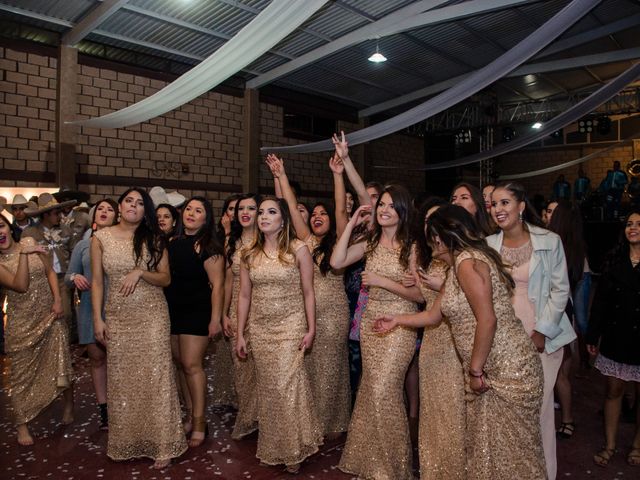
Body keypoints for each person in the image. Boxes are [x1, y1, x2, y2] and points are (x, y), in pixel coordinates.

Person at [374, 204, 546, 479]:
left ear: (442, 236)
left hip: (506, 368)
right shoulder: (457, 267)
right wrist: (397, 320)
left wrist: (475, 370)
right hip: (491, 368)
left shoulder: (467, 262)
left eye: (431, 237)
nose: (429, 245)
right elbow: (432, 316)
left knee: (513, 454)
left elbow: (487, 320)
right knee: (490, 452)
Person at [91, 187, 187, 469]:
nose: (133, 206)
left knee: (156, 378)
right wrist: (98, 318)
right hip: (119, 318)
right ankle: (128, 440)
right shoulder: (100, 238)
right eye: (128, 201)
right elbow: (97, 281)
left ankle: (163, 444)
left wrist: (141, 272)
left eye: (139, 203)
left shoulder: (154, 239)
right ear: (119, 207)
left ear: (146, 210)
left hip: (152, 316)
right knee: (124, 380)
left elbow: (166, 278)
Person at [331, 184, 422, 480]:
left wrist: (382, 280)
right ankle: (370, 459)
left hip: (400, 324)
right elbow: (336, 261)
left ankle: (393, 467)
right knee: (372, 390)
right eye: (380, 204)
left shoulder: (412, 246)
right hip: (372, 326)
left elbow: (420, 296)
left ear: (402, 211)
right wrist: (352, 223)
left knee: (385, 390)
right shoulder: (369, 242)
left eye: (390, 206)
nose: (383, 209)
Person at [488, 181, 576, 480]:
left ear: (521, 206)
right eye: (494, 204)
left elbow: (561, 290)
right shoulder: (489, 245)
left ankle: (542, 473)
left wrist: (542, 331)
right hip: (503, 337)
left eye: (504, 203)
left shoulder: (549, 241)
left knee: (538, 410)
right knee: (508, 410)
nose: (498, 209)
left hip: (542, 336)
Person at [266, 153, 351, 439]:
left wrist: (337, 174)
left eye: (321, 213)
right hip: (308, 313)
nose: (316, 217)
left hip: (335, 314)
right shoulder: (305, 241)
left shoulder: (340, 241)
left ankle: (329, 423)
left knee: (329, 369)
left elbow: (341, 210)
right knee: (309, 370)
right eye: (313, 214)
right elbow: (289, 206)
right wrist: (281, 175)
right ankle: (312, 422)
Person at [235, 196, 321, 474]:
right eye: (261, 212)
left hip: (291, 325)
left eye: (271, 212)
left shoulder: (299, 249)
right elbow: (244, 295)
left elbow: (309, 291)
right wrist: (240, 333)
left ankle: (293, 448)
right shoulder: (249, 253)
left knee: (286, 387)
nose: (263, 217)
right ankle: (275, 446)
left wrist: (311, 328)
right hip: (260, 329)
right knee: (270, 389)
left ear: (283, 219)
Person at [0, 212, 74, 446]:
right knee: (20, 376)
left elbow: (51, 271)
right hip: (21, 324)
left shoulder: (30, 242)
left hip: (49, 315)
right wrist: (22, 255)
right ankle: (22, 424)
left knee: (60, 363)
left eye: (0, 226)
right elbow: (20, 285)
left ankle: (69, 404)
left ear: (8, 227)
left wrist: (58, 300)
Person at [411, 197, 466, 479]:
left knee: (453, 410)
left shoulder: (463, 258)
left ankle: (455, 471)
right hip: (431, 341)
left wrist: (440, 285)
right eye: (426, 222)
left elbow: (469, 299)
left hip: (454, 341)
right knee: (431, 410)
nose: (431, 229)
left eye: (436, 222)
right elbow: (422, 298)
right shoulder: (427, 255)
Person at [164, 196, 224, 448]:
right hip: (172, 310)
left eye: (198, 210)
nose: (191, 213)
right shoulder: (171, 242)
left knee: (192, 364)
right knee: (179, 364)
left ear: (206, 218)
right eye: (189, 208)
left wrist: (215, 319)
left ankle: (200, 422)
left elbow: (218, 285)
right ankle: (189, 414)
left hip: (197, 311)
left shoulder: (209, 246)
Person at [586, 208, 640, 467]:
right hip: (617, 335)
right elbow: (601, 304)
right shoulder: (614, 261)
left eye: (639, 224)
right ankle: (610, 444)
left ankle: (637, 447)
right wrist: (592, 335)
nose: (633, 227)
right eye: (629, 223)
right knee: (613, 389)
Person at [65, 198, 118, 430]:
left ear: (117, 216)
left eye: (110, 209)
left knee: (120, 360)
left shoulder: (123, 242)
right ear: (94, 215)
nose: (104, 212)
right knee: (97, 359)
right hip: (89, 307)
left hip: (118, 307)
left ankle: (124, 406)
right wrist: (74, 277)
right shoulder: (83, 246)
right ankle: (104, 410)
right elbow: (68, 275)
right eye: (100, 209)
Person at [548, 200, 591, 439]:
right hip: (560, 312)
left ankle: (567, 419)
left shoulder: (560, 248)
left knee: (559, 374)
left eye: (551, 212)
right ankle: (565, 419)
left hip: (559, 313)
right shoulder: (572, 247)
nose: (547, 215)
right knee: (557, 373)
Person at [223, 193, 260, 439]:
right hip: (237, 307)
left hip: (265, 310)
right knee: (242, 368)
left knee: (264, 369)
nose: (245, 212)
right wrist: (223, 314)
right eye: (240, 208)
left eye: (251, 208)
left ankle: (266, 417)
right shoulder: (232, 242)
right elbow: (227, 281)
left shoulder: (270, 239)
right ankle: (248, 417)